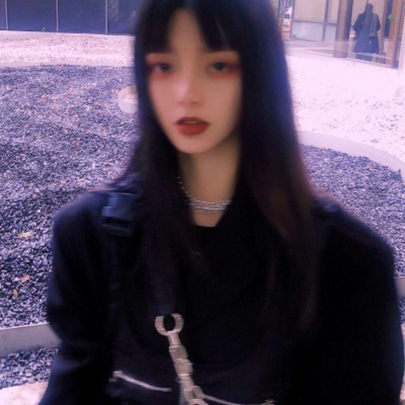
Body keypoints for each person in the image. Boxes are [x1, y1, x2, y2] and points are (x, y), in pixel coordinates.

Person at [39, 0, 404, 404]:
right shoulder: (90, 237)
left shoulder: (346, 263)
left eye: (217, 65)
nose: (186, 94)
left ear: (260, 74)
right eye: (164, 66)